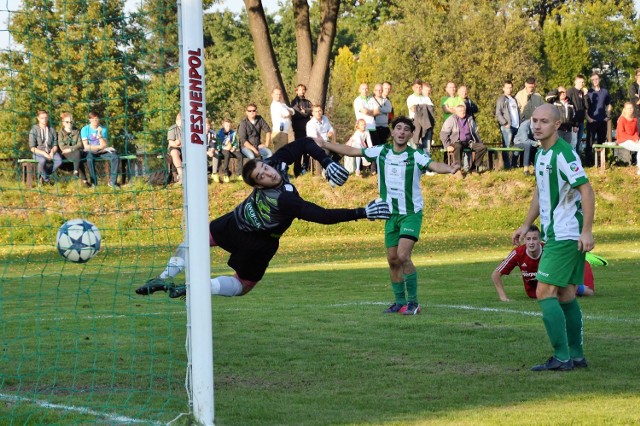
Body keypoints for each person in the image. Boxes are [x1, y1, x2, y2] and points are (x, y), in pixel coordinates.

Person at [135, 137, 390, 298]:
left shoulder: (276, 164)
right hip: (254, 238)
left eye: (265, 168)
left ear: (267, 163)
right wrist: (362, 212)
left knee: (199, 240)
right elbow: (322, 216)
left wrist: (325, 160)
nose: (268, 173)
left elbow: (304, 143)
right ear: (258, 186)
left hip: (238, 224)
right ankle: (181, 283)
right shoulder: (284, 200)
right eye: (261, 176)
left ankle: (175, 281)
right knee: (241, 284)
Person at [321, 116, 460, 315]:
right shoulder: (381, 151)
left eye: (406, 130)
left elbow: (434, 165)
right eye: (399, 128)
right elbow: (353, 151)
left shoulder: (416, 155)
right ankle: (399, 302)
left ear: (411, 134)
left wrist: (450, 168)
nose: (402, 132)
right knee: (393, 259)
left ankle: (413, 303)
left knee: (403, 256)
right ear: (393, 132)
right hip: (389, 214)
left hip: (410, 214)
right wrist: (326, 144)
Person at [512, 103, 595, 372]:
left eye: (544, 121)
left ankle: (561, 357)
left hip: (566, 234)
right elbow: (540, 193)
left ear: (557, 125)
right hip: (557, 234)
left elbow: (587, 190)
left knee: (543, 292)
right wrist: (526, 225)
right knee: (566, 295)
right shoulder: (541, 155)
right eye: (534, 120)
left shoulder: (563, 153)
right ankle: (576, 355)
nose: (536, 125)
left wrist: (586, 231)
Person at [492, 225, 595, 302]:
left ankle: (585, 264)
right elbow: (496, 274)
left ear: (540, 240)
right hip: (533, 293)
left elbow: (565, 268)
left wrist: (576, 288)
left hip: (556, 287)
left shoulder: (549, 250)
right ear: (524, 240)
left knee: (588, 293)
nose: (531, 242)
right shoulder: (517, 253)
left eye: (535, 238)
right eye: (528, 239)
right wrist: (503, 297)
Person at [440, 104, 488, 174]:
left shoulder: (470, 119)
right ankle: (457, 170)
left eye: (464, 110)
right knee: (458, 146)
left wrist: (479, 142)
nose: (462, 112)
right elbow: (443, 134)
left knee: (483, 148)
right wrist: (447, 146)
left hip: (469, 142)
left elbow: (475, 132)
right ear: (456, 112)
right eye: (460, 111)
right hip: (456, 142)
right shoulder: (451, 119)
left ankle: (474, 168)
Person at [81, 111, 120, 189]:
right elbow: (86, 146)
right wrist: (99, 147)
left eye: (97, 118)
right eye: (93, 119)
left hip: (102, 152)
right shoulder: (85, 129)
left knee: (115, 157)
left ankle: (112, 182)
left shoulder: (103, 129)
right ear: (89, 120)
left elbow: (104, 145)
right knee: (89, 158)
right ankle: (94, 184)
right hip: (90, 151)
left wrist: (99, 135)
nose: (95, 120)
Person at [28, 110, 62, 185]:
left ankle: (44, 174)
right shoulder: (33, 130)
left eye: (46, 117)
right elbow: (32, 148)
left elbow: (55, 144)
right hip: (38, 152)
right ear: (38, 118)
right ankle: (47, 180)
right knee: (42, 161)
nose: (44, 120)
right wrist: (43, 153)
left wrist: (52, 152)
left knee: (59, 160)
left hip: (50, 151)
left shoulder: (52, 130)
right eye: (42, 118)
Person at [57, 111, 90, 187]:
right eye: (67, 122)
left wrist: (71, 149)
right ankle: (84, 179)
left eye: (71, 122)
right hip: (65, 155)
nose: (69, 123)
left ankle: (78, 174)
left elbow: (80, 144)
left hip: (75, 153)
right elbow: (62, 146)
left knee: (78, 154)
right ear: (63, 122)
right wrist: (72, 149)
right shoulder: (60, 133)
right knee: (78, 155)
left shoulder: (77, 131)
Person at [585, 73, 611, 167]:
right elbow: (585, 107)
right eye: (593, 80)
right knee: (589, 142)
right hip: (592, 121)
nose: (595, 81)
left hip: (602, 121)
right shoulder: (588, 92)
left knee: (602, 142)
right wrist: (588, 118)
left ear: (599, 79)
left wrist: (607, 116)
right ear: (591, 81)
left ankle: (602, 162)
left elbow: (608, 104)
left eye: (596, 79)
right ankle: (588, 163)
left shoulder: (605, 91)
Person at [496, 80, 521, 169]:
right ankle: (507, 166)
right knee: (506, 146)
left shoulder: (514, 99)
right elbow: (498, 113)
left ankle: (514, 164)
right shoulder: (501, 99)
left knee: (517, 145)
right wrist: (505, 123)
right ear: (503, 88)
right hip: (507, 127)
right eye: (507, 88)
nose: (509, 89)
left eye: (510, 87)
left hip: (517, 126)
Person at [291, 84, 313, 175]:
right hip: (298, 128)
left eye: (303, 90)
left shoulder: (308, 101)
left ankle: (305, 168)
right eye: (300, 90)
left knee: (307, 150)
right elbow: (298, 113)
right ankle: (297, 170)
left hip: (307, 128)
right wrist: (305, 112)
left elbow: (312, 110)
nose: (302, 91)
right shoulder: (294, 102)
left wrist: (306, 111)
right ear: (296, 91)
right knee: (298, 149)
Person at [615, 102, 640, 174]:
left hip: (632, 139)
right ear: (625, 110)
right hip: (623, 140)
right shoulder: (622, 119)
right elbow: (621, 134)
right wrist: (633, 138)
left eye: (631, 108)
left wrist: (636, 138)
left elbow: (636, 131)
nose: (630, 110)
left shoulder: (635, 119)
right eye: (628, 108)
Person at [215, 118, 243, 183]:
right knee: (227, 155)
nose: (228, 127)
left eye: (229, 126)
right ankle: (226, 174)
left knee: (240, 156)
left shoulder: (233, 133)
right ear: (223, 126)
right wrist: (224, 147)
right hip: (223, 148)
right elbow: (218, 144)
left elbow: (235, 142)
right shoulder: (219, 133)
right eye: (227, 126)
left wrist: (234, 147)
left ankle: (239, 174)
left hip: (231, 148)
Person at [566, 75, 588, 153]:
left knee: (578, 142)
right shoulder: (570, 91)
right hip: (573, 121)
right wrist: (574, 123)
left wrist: (585, 95)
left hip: (581, 121)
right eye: (579, 82)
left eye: (582, 82)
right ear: (575, 82)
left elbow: (586, 106)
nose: (581, 84)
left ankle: (577, 161)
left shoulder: (582, 93)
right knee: (573, 143)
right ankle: (571, 161)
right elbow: (568, 106)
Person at [412, 82, 436, 153]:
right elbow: (413, 109)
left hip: (427, 123)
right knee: (416, 146)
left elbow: (431, 109)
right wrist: (424, 108)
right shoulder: (412, 97)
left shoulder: (427, 99)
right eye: (426, 91)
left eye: (429, 91)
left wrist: (421, 107)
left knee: (427, 147)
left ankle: (426, 162)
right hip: (416, 123)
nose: (428, 93)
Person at [270, 88, 295, 152]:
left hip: (284, 132)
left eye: (279, 94)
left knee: (283, 153)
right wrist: (289, 113)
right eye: (276, 94)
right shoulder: (275, 105)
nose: (278, 96)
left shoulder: (282, 105)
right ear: (272, 95)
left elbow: (293, 111)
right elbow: (286, 113)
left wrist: (288, 114)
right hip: (279, 132)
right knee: (280, 153)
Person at [167, 112, 183, 183]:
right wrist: (179, 144)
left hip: (187, 148)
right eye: (180, 120)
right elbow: (171, 143)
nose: (182, 122)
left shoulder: (189, 129)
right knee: (174, 152)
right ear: (177, 121)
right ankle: (181, 174)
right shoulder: (172, 129)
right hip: (176, 147)